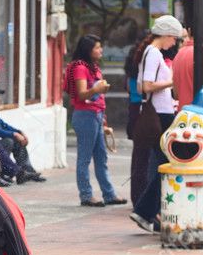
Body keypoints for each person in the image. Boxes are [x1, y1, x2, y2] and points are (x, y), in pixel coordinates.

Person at [130, 15, 184, 232]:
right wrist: (173, 80)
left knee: (166, 163)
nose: (174, 43)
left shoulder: (152, 53)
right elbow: (146, 86)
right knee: (170, 163)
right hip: (160, 115)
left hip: (160, 113)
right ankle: (146, 211)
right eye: (174, 39)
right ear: (168, 35)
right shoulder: (153, 53)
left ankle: (150, 212)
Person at [63, 34, 126, 208]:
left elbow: (96, 96)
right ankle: (86, 195)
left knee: (101, 157)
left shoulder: (93, 67)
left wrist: (103, 119)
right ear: (88, 50)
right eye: (97, 47)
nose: (100, 50)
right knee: (84, 158)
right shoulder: (80, 68)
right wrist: (96, 88)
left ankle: (109, 193)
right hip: (85, 116)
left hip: (96, 115)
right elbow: (82, 94)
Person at [0, 84, 45, 183]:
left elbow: (4, 125)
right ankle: (1, 173)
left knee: (16, 141)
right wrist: (14, 135)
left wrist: (18, 132)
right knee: (9, 141)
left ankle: (26, 171)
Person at [124, 33, 150, 208]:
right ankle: (142, 195)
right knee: (145, 157)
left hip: (134, 109)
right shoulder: (147, 58)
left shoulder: (134, 59)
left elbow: (128, 86)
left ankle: (138, 194)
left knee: (138, 156)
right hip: (143, 108)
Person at [171, 16, 203, 109]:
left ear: (189, 31)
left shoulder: (179, 54)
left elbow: (176, 94)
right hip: (202, 118)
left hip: (184, 116)